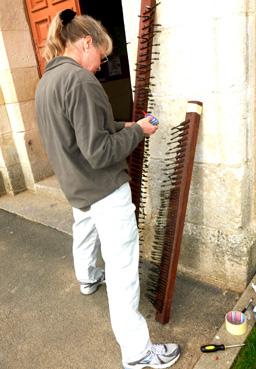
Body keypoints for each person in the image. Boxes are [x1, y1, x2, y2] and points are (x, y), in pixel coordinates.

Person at [35, 9, 181, 369]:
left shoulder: (47, 82)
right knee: (122, 270)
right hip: (102, 189)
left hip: (76, 187)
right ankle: (138, 353)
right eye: (101, 54)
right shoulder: (81, 81)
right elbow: (99, 152)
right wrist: (138, 133)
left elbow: (79, 129)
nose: (100, 65)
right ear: (86, 43)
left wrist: (122, 124)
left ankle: (86, 277)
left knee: (83, 233)